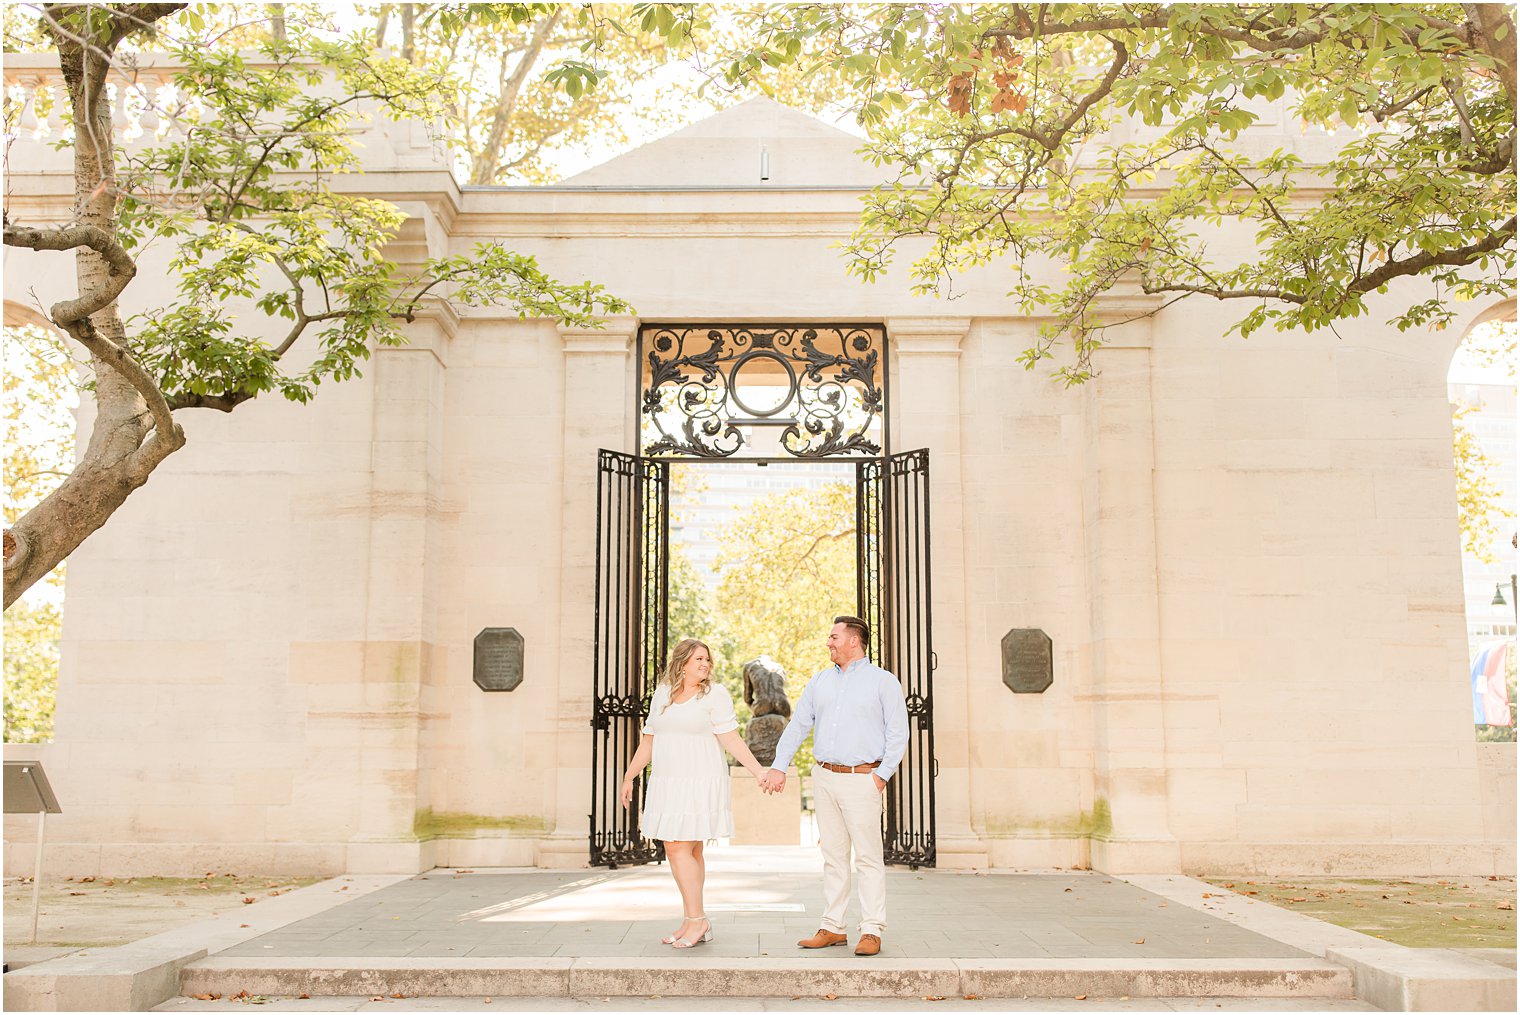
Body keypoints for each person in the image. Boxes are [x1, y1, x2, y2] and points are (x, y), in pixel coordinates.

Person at [759, 615, 908, 957]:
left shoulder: (883, 682)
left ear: (854, 640)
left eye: (834, 636)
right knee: (833, 856)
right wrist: (779, 765)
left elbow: (898, 734)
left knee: (868, 857)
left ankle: (871, 929)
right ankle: (833, 927)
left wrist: (881, 775)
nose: (829, 642)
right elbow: (797, 726)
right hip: (824, 776)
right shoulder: (820, 682)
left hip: (863, 779)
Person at [619, 637, 770, 949]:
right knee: (691, 850)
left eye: (707, 660)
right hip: (667, 781)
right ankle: (692, 920)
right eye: (699, 659)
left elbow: (731, 738)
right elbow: (649, 740)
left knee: (677, 848)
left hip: (699, 781)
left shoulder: (715, 695)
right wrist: (629, 776)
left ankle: (697, 920)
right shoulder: (662, 694)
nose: (705, 664)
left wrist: (758, 770)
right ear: (682, 662)